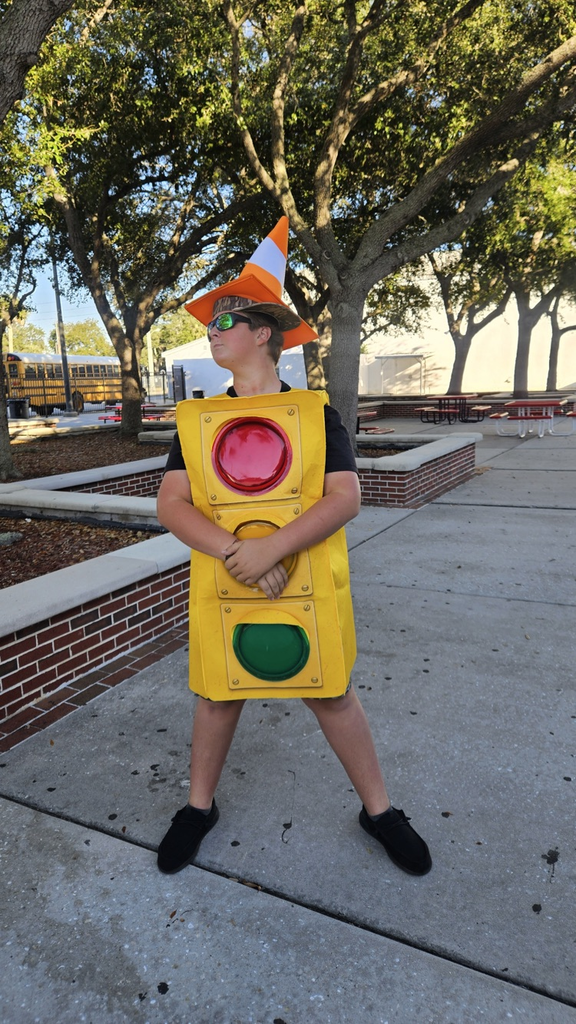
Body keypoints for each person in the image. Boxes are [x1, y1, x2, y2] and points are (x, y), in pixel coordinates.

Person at [156, 219, 431, 877]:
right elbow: (171, 503)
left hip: (304, 577)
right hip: (227, 579)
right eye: (212, 322)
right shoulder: (198, 424)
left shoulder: (314, 414)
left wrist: (274, 549)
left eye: (227, 319)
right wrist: (238, 552)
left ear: (264, 334)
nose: (213, 329)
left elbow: (344, 496)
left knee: (330, 690)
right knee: (218, 693)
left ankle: (380, 811)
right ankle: (198, 807)